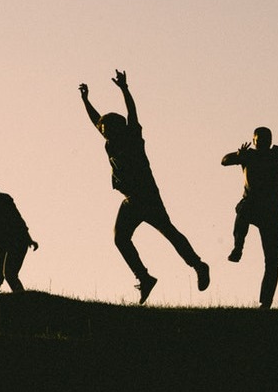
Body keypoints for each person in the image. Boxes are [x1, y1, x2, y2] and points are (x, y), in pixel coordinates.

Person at [79, 69, 209, 304]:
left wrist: (125, 89)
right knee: (121, 239)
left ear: (117, 128)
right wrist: (86, 100)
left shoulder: (132, 136)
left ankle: (198, 265)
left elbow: (132, 113)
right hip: (130, 199)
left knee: (169, 232)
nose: (102, 132)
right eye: (102, 130)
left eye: (106, 129)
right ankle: (145, 277)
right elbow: (95, 120)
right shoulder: (110, 141)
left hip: (147, 196)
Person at [220, 127, 278, 308]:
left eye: (266, 141)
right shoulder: (248, 155)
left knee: (273, 259)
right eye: (260, 141)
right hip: (251, 204)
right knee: (242, 210)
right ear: (253, 141)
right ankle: (238, 247)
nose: (263, 145)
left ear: (271, 141)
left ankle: (266, 302)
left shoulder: (277, 153)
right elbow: (224, 161)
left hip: (271, 213)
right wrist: (238, 154)